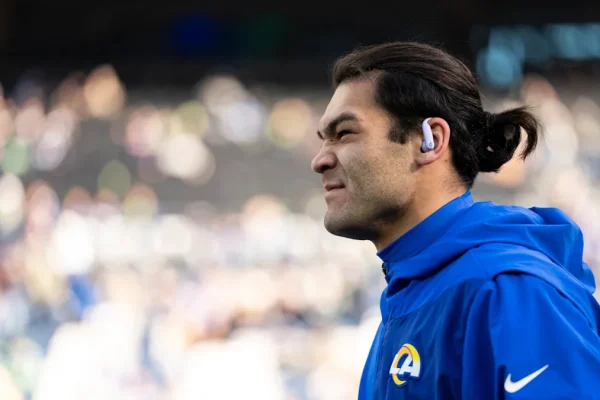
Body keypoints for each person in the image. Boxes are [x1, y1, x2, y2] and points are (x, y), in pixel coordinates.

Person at [311, 41, 600, 399]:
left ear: (430, 141)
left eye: (344, 134)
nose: (320, 160)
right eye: (324, 140)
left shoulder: (506, 291)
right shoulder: (412, 291)